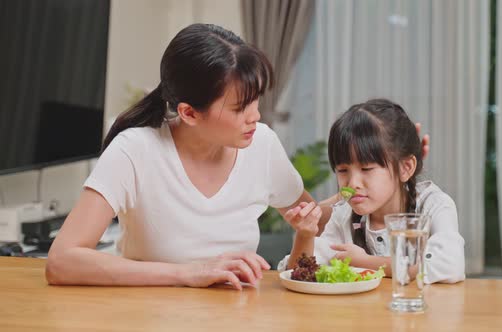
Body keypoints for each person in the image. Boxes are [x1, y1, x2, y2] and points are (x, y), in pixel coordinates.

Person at [46, 23, 327, 290]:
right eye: (240, 107)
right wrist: (190, 273)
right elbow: (62, 261)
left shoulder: (262, 144)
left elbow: (316, 221)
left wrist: (362, 200)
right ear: (189, 113)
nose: (255, 116)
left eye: (256, 100)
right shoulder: (135, 150)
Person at [280, 99, 465, 284]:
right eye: (343, 170)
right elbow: (299, 273)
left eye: (367, 169)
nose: (352, 183)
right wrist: (304, 235)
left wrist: (365, 261)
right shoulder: (344, 215)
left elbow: (449, 264)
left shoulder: (434, 204)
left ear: (405, 168)